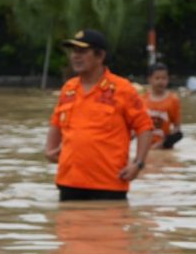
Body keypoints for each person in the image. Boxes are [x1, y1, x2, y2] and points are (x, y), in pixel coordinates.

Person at [44, 29, 154, 202]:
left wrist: (138, 163)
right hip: (69, 182)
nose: (75, 57)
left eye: (82, 51)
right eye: (74, 51)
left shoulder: (122, 89)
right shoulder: (68, 89)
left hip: (109, 184)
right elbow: (56, 122)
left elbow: (145, 127)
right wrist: (49, 149)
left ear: (100, 56)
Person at [142, 62, 184, 149]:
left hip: (165, 147)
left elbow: (177, 127)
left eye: (164, 78)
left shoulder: (173, 100)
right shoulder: (142, 100)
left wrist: (164, 142)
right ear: (149, 79)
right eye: (157, 78)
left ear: (168, 79)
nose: (161, 81)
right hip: (146, 147)